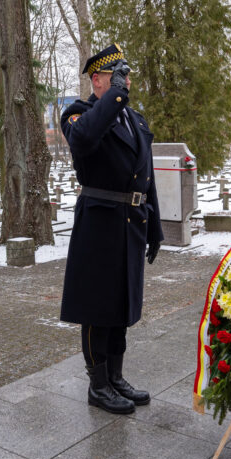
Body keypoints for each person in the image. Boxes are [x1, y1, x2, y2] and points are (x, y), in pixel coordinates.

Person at [59, 44, 163, 415]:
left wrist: (155, 227)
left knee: (120, 304)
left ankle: (116, 377)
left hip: (131, 223)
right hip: (99, 224)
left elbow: (145, 176)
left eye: (127, 76)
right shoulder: (77, 113)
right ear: (98, 80)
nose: (127, 82)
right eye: (118, 76)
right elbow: (85, 139)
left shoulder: (134, 119)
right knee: (96, 307)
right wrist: (116, 95)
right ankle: (97, 384)